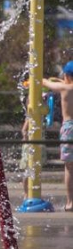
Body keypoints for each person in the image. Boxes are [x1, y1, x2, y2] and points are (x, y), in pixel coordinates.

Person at [42, 61, 73, 212]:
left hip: (69, 128)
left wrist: (42, 80)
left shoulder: (64, 88)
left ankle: (70, 202)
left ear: (66, 75)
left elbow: (50, 85)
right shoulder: (66, 86)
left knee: (69, 167)